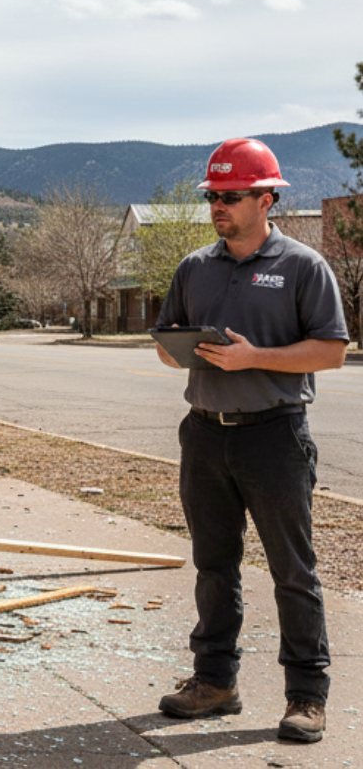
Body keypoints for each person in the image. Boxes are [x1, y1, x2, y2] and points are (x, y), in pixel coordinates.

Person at [154, 137, 348, 744]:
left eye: (232, 195)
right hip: (205, 436)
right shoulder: (194, 266)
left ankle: (307, 697)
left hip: (275, 435)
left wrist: (252, 359)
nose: (219, 205)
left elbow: (333, 351)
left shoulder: (302, 265)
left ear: (267, 198)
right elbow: (164, 343)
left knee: (293, 570)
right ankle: (215, 683)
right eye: (214, 195)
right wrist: (183, 348)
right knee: (215, 566)